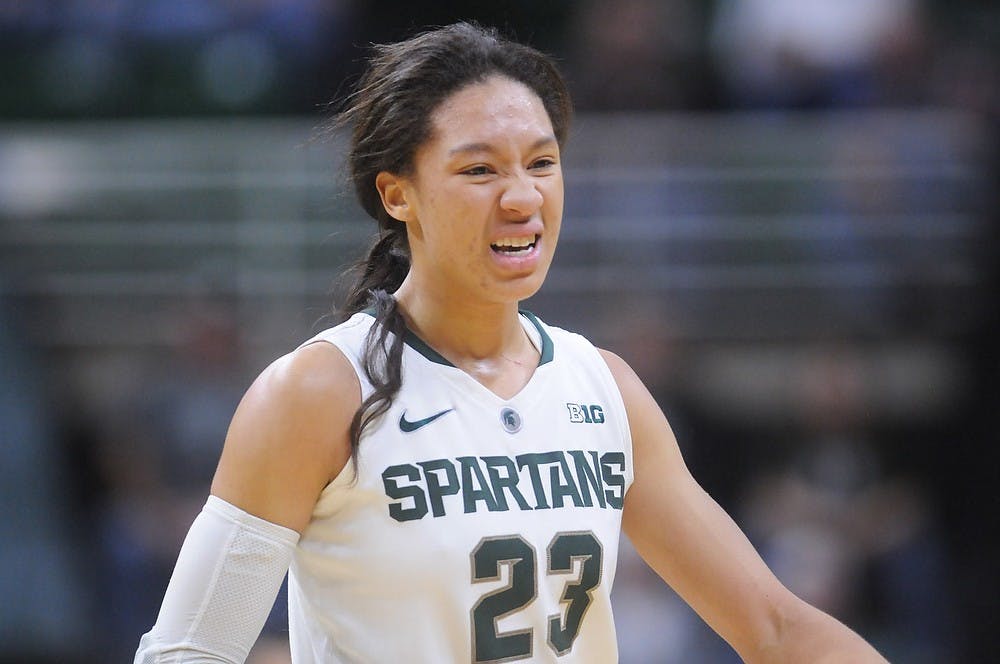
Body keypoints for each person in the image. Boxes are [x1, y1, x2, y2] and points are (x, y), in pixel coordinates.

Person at [134, 22, 888, 663]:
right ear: (398, 193)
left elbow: (774, 627)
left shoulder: (604, 387)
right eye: (479, 170)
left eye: (542, 163)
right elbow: (188, 651)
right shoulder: (318, 391)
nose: (523, 197)